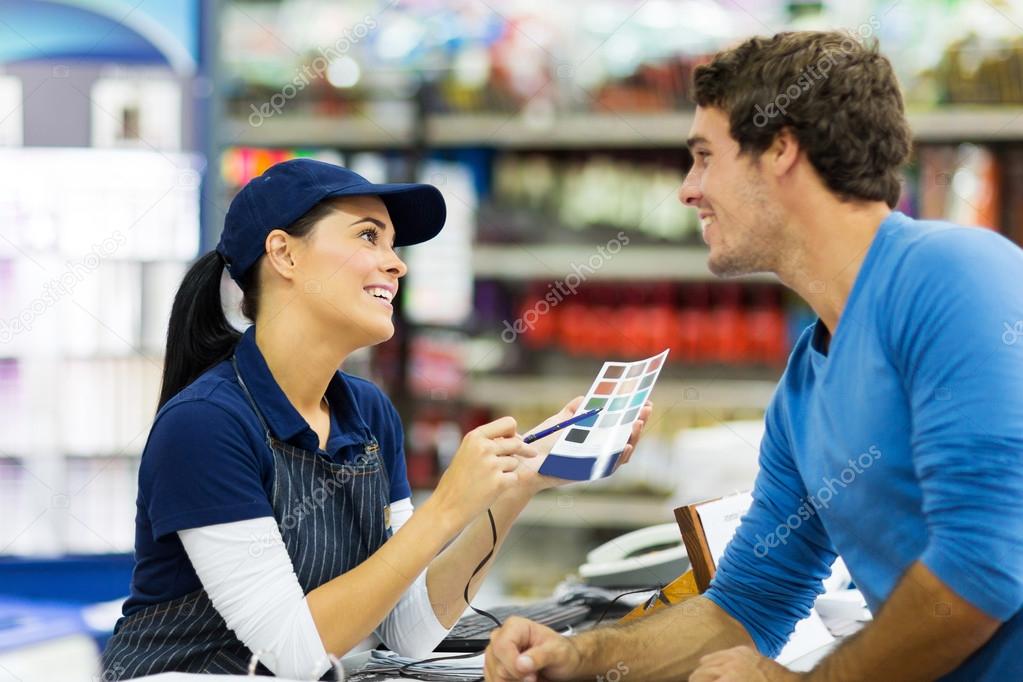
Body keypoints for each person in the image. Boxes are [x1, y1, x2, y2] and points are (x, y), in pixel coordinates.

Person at [485, 30, 1023, 682]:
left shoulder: (955, 277)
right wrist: (579, 656)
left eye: (704, 156)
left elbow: (983, 568)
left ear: (780, 149)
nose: (688, 189)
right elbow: (746, 603)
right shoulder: (804, 384)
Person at [100, 159, 652, 679]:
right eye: (368, 236)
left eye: (393, 243)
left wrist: (516, 487)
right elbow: (295, 650)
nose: (397, 262)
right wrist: (448, 507)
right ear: (285, 255)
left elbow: (408, 630)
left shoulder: (367, 413)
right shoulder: (205, 426)